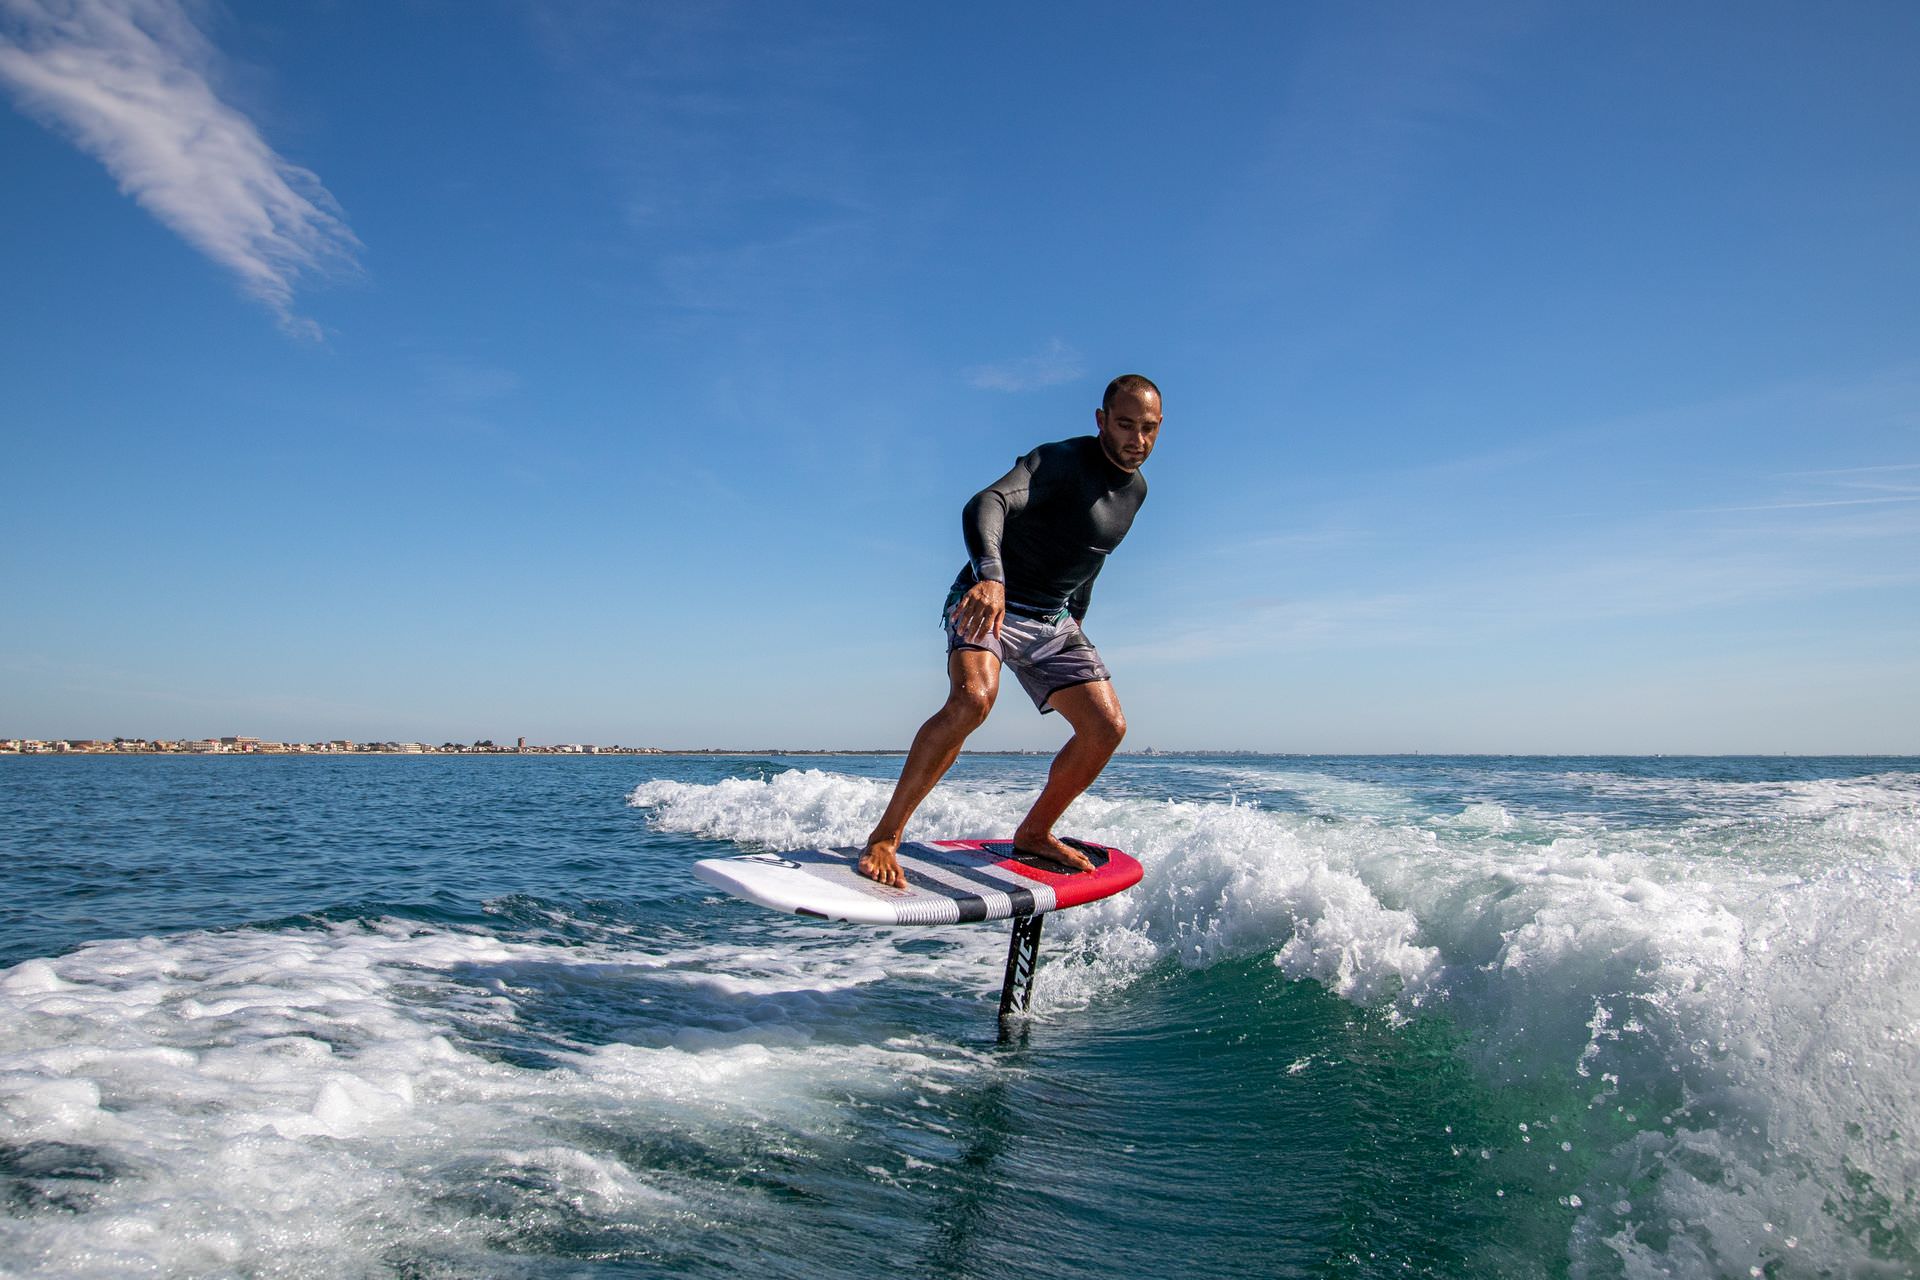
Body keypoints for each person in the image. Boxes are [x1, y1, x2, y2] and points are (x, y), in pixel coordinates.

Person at [858, 374, 1162, 888]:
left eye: (1149, 428)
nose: (1137, 439)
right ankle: (885, 836)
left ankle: (1035, 833)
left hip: (1053, 618)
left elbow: (1092, 556)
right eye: (1126, 424)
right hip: (989, 600)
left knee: (1106, 728)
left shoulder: (1136, 492)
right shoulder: (1060, 460)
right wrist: (991, 578)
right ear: (1101, 420)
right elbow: (986, 503)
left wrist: (1079, 615)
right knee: (973, 699)